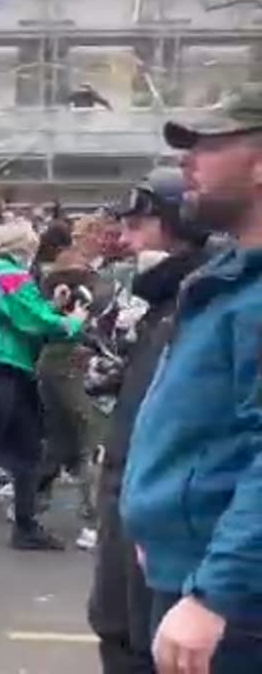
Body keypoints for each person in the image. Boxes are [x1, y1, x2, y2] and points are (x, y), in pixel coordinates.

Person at [122, 84, 262, 674]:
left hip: (232, 604)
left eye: (208, 145)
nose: (188, 162)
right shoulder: (231, 278)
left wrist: (214, 594)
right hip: (193, 572)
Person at [87, 167, 210, 674]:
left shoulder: (201, 302)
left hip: (161, 517)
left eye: (139, 225)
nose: (126, 239)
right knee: (118, 634)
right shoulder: (157, 301)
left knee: (142, 645)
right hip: (129, 494)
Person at [0, 217, 85, 550]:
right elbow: (30, 319)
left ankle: (26, 525)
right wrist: (70, 322)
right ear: (24, 245)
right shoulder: (10, 273)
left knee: (22, 449)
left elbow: (21, 311)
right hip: (2, 367)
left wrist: (52, 307)